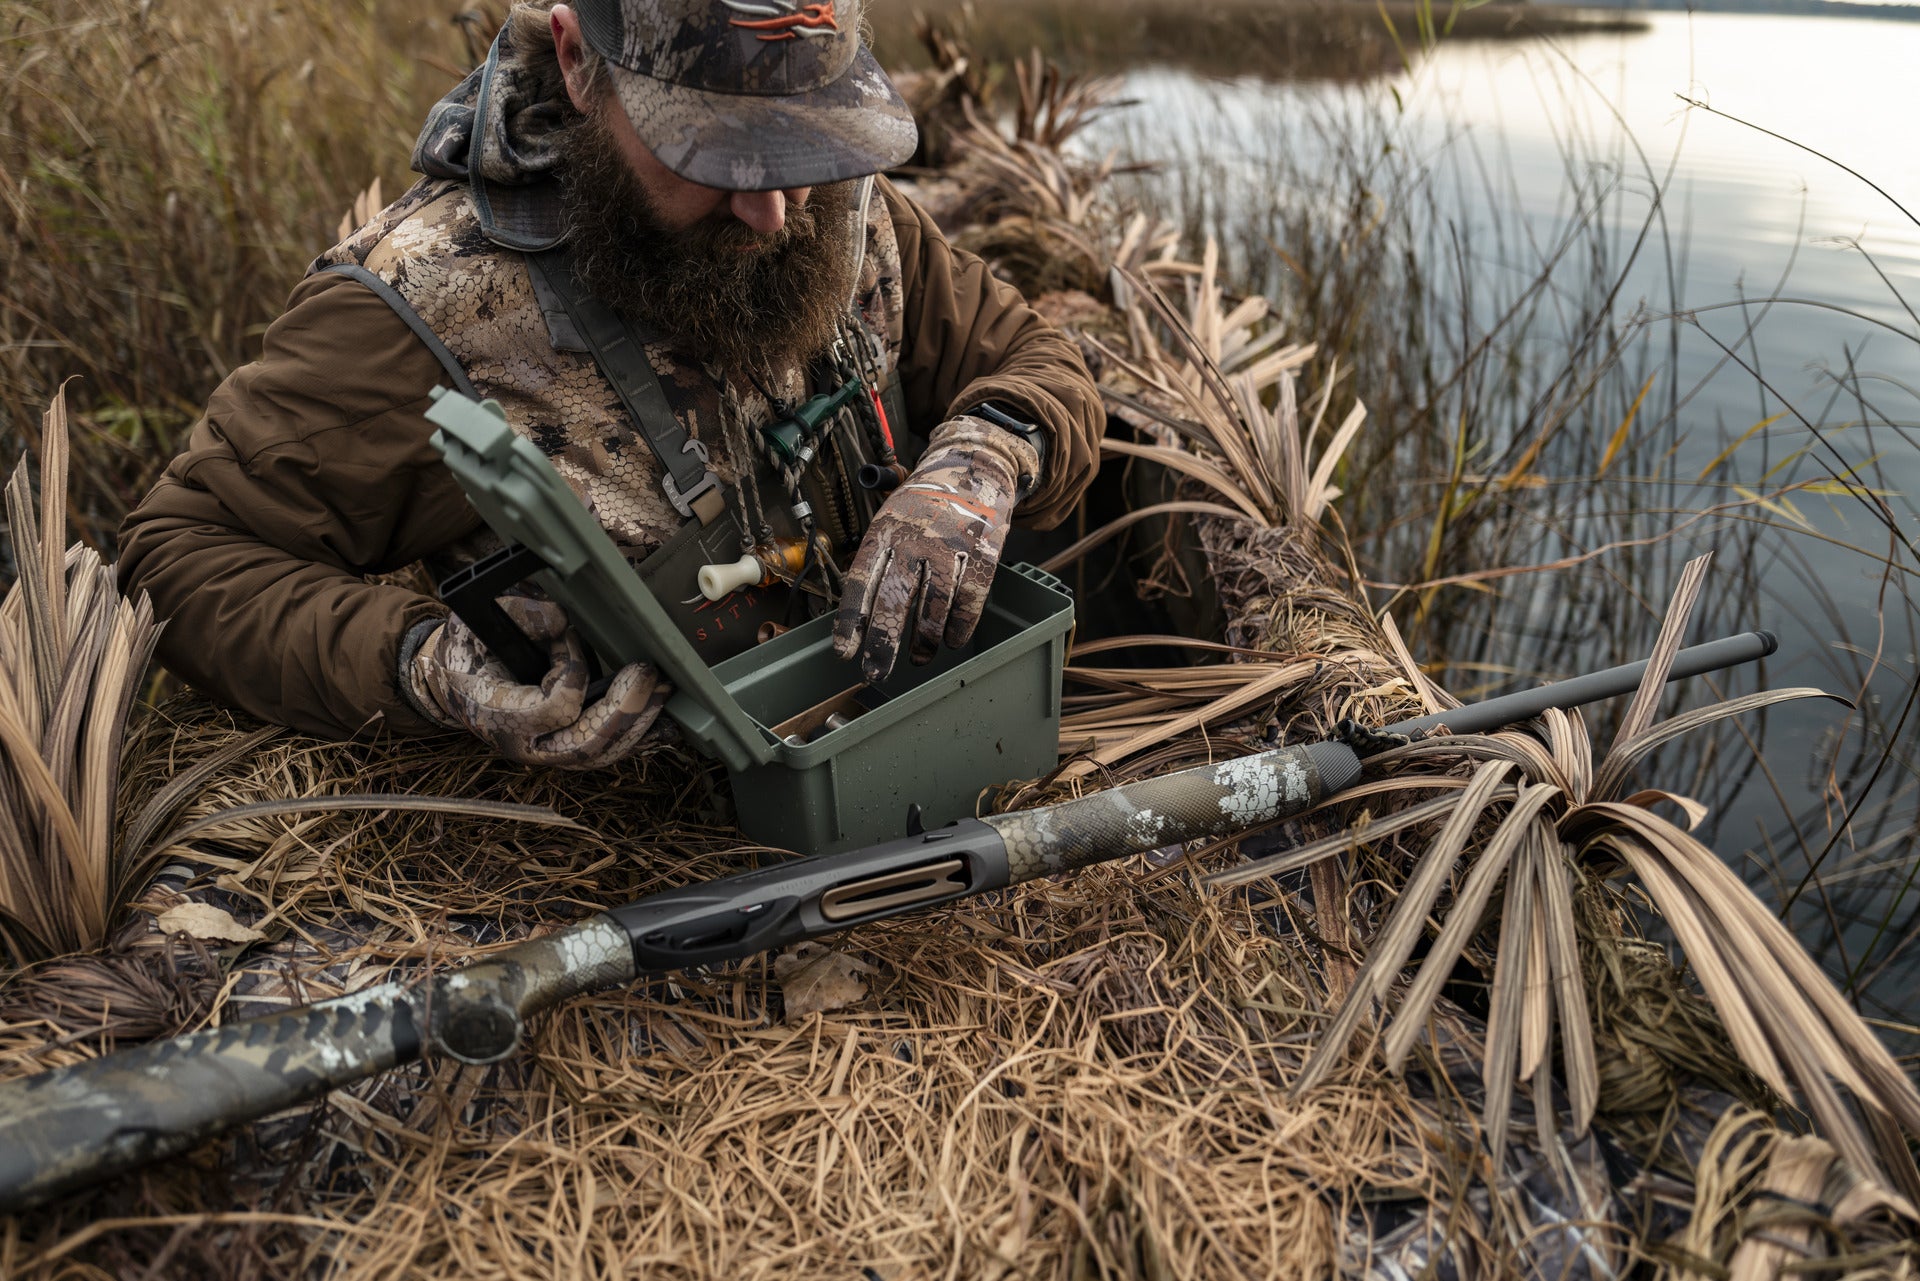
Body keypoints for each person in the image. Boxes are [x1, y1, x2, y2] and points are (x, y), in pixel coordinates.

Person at [116, 0, 1102, 768]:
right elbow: (179, 554)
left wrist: (985, 455)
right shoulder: (418, 307)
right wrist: (421, 662)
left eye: (805, 140)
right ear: (580, 63)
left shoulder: (845, 216)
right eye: (715, 148)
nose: (773, 210)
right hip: (640, 858)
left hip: (900, 761)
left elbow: (1036, 363)